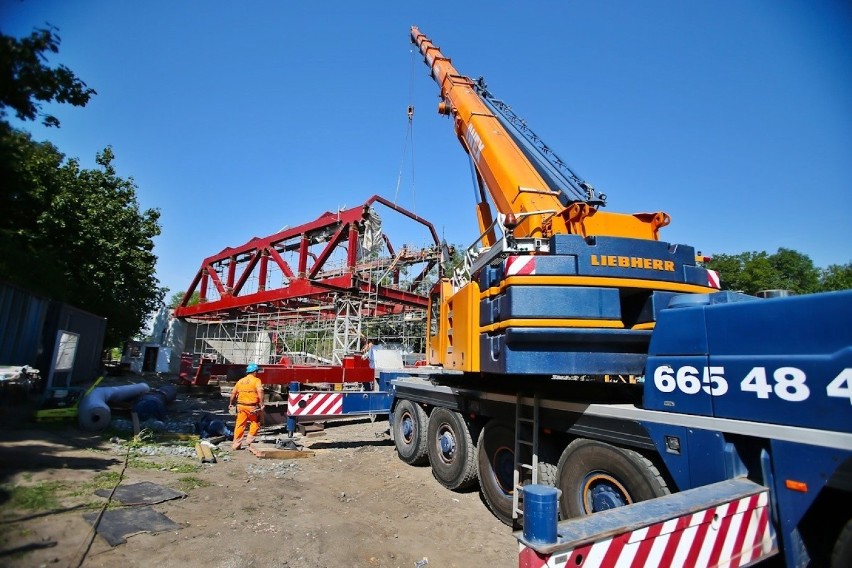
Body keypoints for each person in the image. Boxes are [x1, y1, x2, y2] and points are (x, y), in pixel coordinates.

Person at [229, 363, 265, 450]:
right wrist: (262, 404)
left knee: (240, 424)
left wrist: (230, 403)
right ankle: (250, 440)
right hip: (252, 407)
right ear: (254, 372)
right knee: (255, 422)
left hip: (240, 406)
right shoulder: (256, 380)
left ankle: (236, 444)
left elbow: (233, 393)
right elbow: (260, 392)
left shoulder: (240, 381)